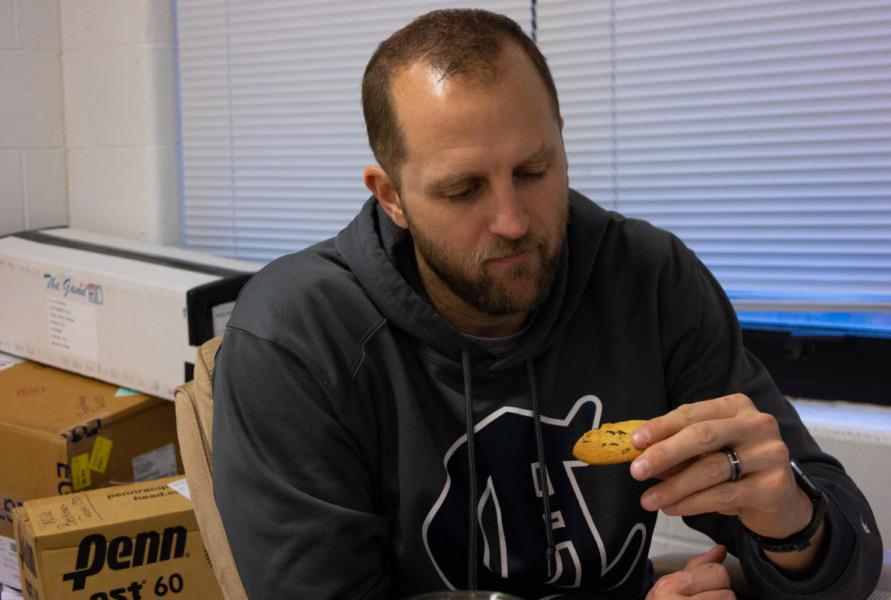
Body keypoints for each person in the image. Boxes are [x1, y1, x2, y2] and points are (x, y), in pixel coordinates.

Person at [211, 8, 882, 599]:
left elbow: (846, 561)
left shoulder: (648, 281)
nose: (511, 220)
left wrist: (795, 527)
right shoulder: (297, 337)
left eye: (534, 171)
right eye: (463, 190)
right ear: (391, 196)